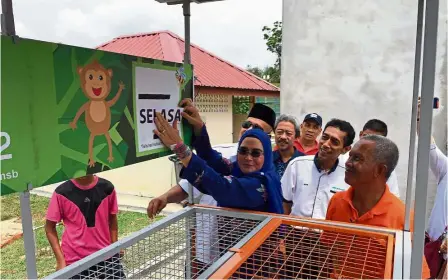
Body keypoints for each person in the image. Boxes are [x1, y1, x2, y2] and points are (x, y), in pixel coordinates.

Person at [325, 135, 430, 279]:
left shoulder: (403, 218)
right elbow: (329, 250)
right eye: (350, 157)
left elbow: (418, 274)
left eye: (357, 159)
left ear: (380, 170)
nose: (348, 163)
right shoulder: (337, 201)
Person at [147, 101, 277, 218]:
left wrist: (180, 148)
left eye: (255, 153)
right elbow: (212, 159)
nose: (248, 157)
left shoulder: (261, 184)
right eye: (243, 151)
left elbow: (222, 187)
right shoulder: (237, 166)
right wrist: (199, 128)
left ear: (266, 153)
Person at [45, 174, 125, 279]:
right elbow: (49, 228)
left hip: (106, 256)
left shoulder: (107, 188)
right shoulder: (62, 192)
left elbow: (112, 218)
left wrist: (115, 245)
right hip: (75, 261)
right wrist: (60, 261)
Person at [282, 118, 355, 219]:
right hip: (295, 231)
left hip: (328, 233)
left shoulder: (348, 176)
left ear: (345, 149)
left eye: (334, 142)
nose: (325, 144)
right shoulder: (297, 165)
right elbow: (285, 203)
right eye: (324, 137)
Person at [345, 119, 400, 198]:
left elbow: (392, 198)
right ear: (361, 134)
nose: (368, 143)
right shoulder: (341, 160)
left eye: (375, 140)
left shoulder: (385, 169)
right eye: (366, 137)